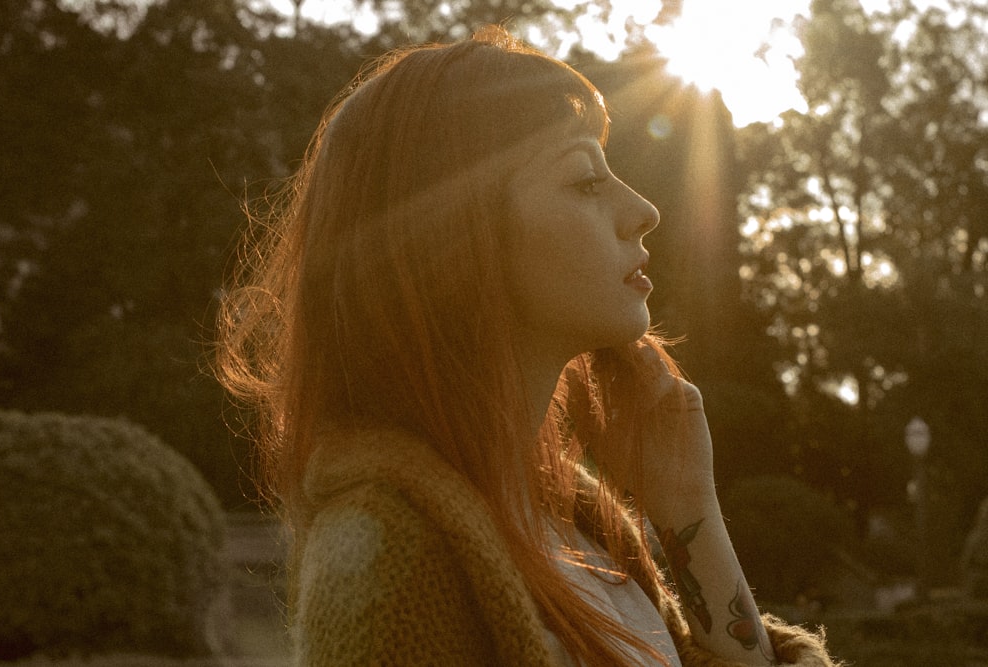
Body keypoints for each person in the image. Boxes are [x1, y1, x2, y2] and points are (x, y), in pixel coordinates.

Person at [217, 25, 840, 667]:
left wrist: (691, 515)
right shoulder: (393, 553)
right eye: (584, 182)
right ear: (456, 239)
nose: (644, 209)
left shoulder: (577, 528)